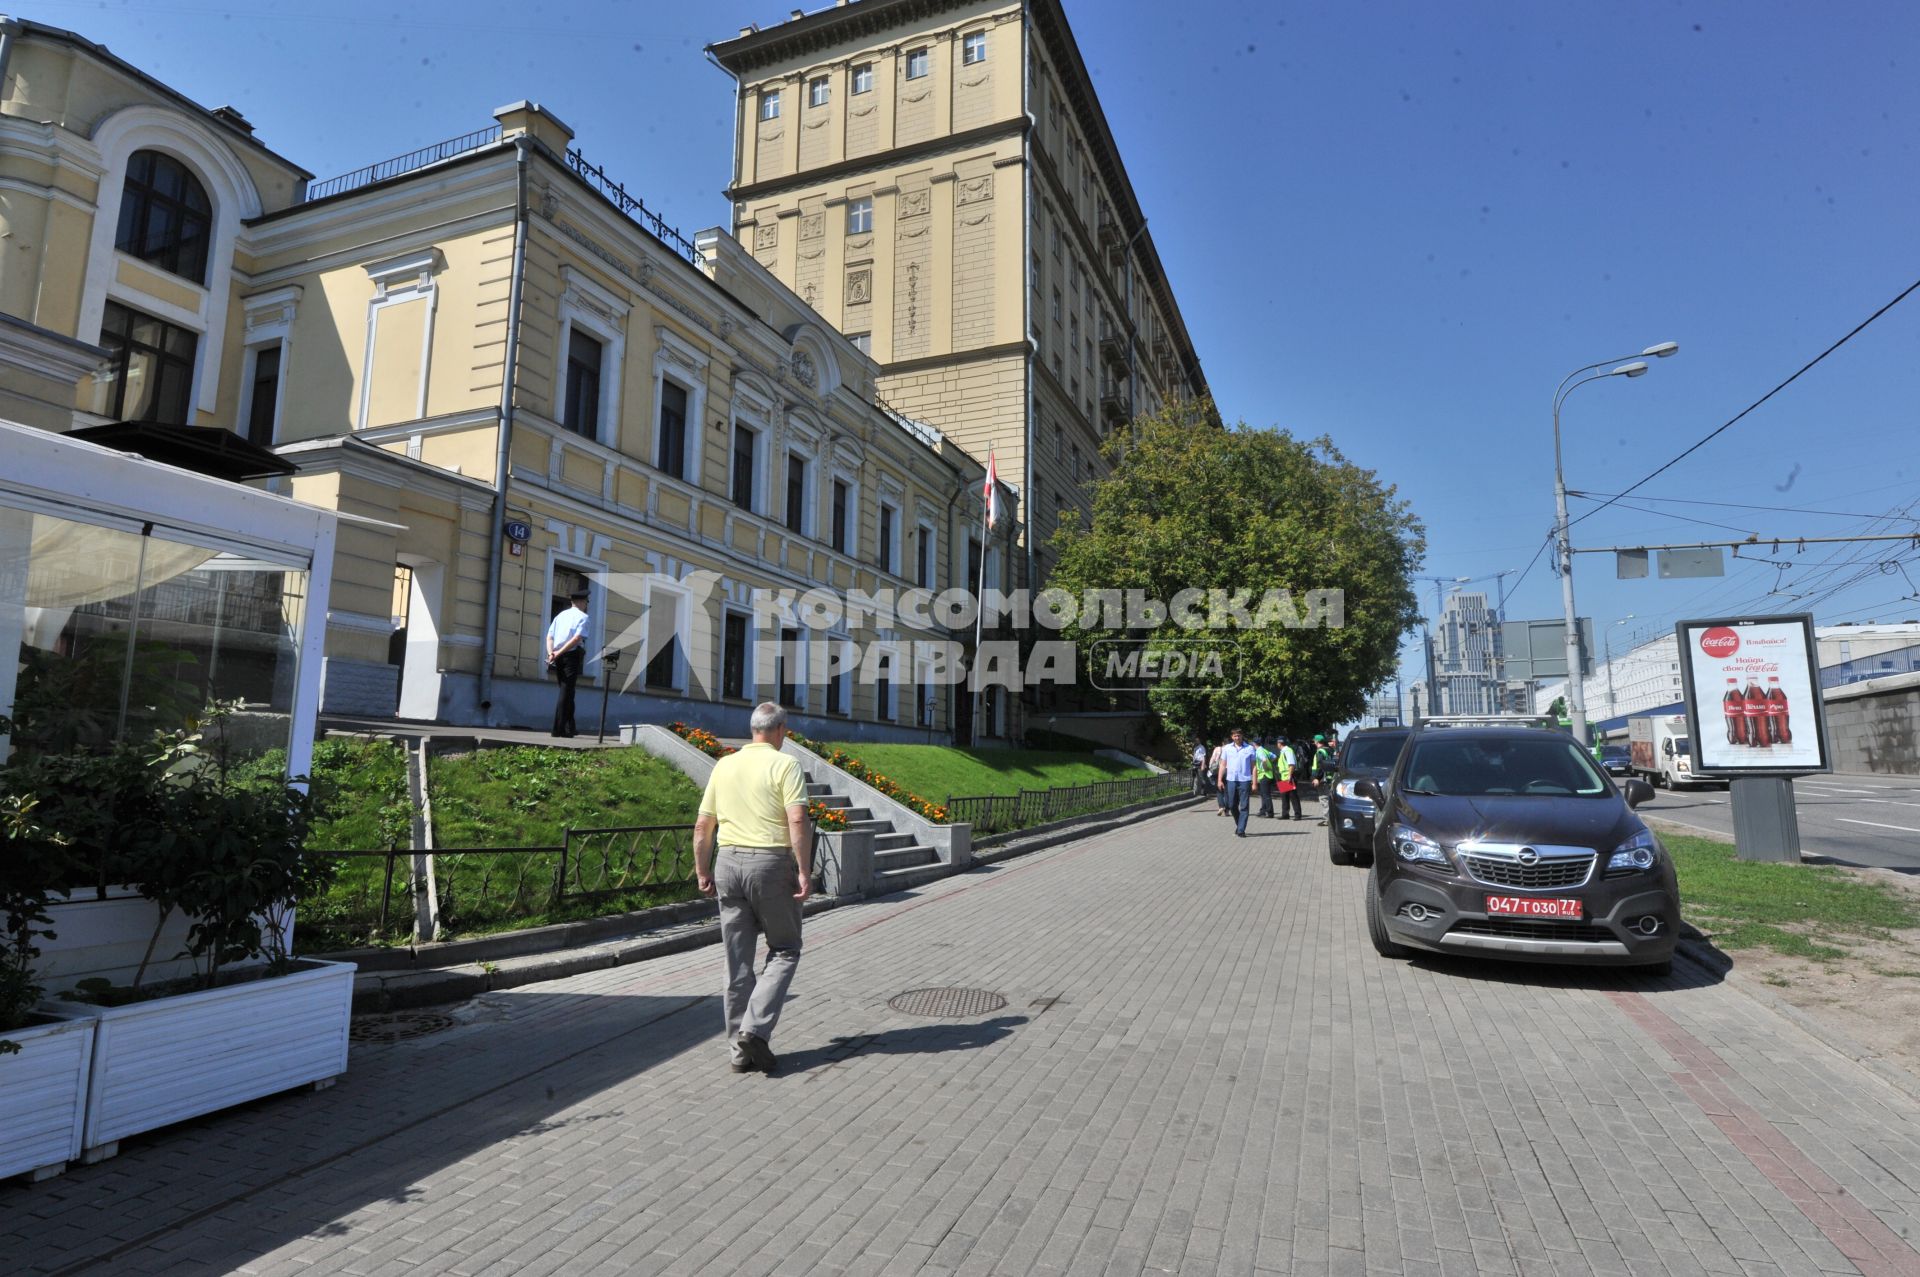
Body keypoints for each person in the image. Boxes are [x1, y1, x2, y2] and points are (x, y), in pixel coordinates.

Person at [693, 701, 813, 1074]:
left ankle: (738, 1053)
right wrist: (805, 869)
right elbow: (797, 819)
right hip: (770, 864)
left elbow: (702, 826)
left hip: (727, 863)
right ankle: (754, 1030)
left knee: (737, 961)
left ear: (752, 730)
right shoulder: (785, 764)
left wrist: (702, 870)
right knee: (785, 948)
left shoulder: (725, 765)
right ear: (780, 731)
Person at [544, 588, 590, 738]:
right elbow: (577, 639)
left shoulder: (560, 616)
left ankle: (571, 727)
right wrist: (560, 652)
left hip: (558, 656)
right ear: (582, 602)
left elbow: (549, 637)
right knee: (566, 691)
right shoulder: (583, 617)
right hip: (571, 656)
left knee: (568, 691)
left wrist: (552, 653)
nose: (586, 605)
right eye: (586, 602)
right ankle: (558, 729)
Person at [1215, 727, 1259, 837]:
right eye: (1235, 735)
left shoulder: (1250, 748)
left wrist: (1254, 783)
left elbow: (1254, 767)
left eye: (1239, 735)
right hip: (1231, 780)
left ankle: (1241, 830)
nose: (1237, 737)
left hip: (1245, 780)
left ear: (1242, 736)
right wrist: (1219, 780)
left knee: (1244, 806)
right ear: (1232, 737)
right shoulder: (1227, 749)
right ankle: (1240, 824)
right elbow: (1223, 765)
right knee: (1231, 805)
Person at [1311, 733, 1335, 825]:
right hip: (1329, 778)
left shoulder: (1320, 752)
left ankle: (1327, 820)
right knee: (1328, 798)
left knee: (1324, 799)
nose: (1314, 742)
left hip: (1323, 779)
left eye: (1314, 741)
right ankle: (1330, 818)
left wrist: (1317, 778)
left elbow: (1321, 766)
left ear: (1317, 741)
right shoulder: (1329, 750)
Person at [1278, 737, 1304, 820]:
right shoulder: (1284, 751)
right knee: (1284, 796)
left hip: (1289, 776)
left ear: (1279, 743)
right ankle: (1285, 814)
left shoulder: (1287, 751)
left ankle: (1297, 815)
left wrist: (1289, 776)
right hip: (1284, 776)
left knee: (1293, 796)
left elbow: (1291, 764)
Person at [1254, 738, 1277, 818]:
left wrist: (1265, 767)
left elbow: (1263, 760)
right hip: (1269, 775)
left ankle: (1270, 813)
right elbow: (1274, 757)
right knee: (1263, 794)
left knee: (1266, 795)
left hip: (1264, 775)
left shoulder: (1259, 751)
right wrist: (1270, 763)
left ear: (1254, 744)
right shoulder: (1265, 750)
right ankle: (1263, 810)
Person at [1208, 738, 1230, 815]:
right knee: (1227, 791)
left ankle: (1221, 806)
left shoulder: (1217, 749)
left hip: (1218, 771)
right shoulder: (1230, 749)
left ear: (1222, 743)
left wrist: (1210, 768)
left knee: (1219, 790)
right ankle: (1227, 810)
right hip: (1227, 771)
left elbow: (1212, 759)